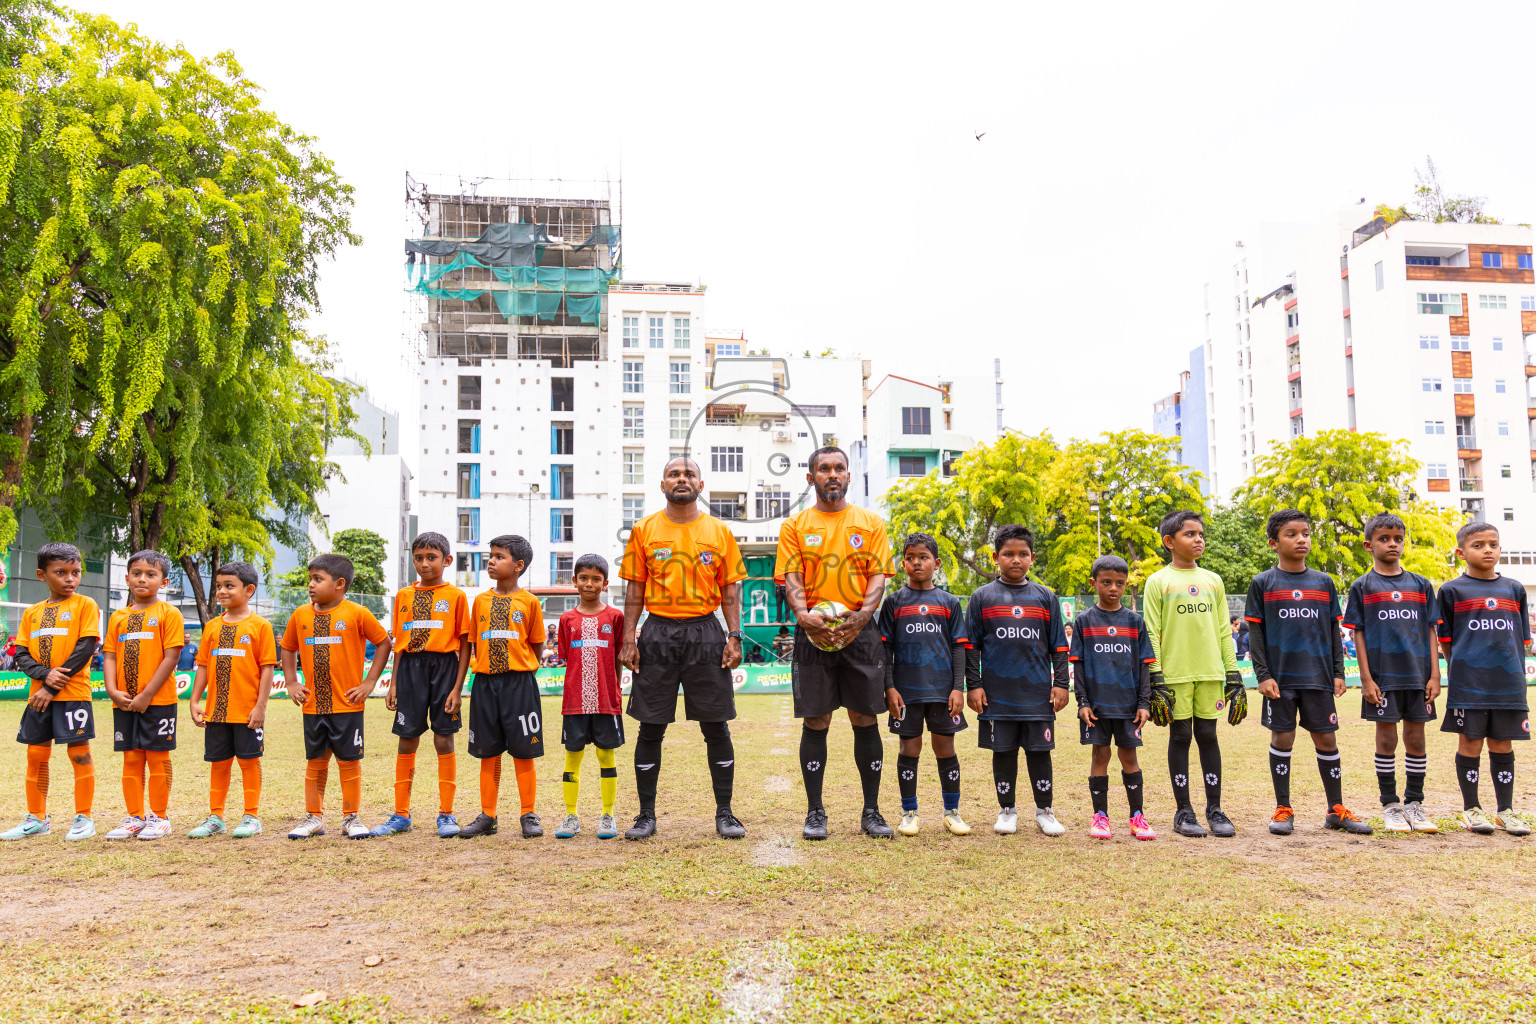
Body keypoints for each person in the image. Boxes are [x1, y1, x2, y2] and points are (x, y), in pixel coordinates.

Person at [620, 456, 747, 841]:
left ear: (700, 485)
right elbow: (635, 589)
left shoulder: (718, 530)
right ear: (662, 485)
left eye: (689, 474)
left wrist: (734, 635)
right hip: (656, 631)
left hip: (705, 631)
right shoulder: (644, 530)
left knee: (716, 725)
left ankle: (725, 813)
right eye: (673, 473)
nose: (681, 479)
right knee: (651, 725)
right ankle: (646, 815)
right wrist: (629, 637)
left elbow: (730, 589)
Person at [776, 446, 893, 840]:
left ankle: (872, 812)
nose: (832, 474)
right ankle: (815, 813)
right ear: (810, 477)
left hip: (860, 634)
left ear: (847, 475)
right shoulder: (794, 526)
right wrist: (803, 615)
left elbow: (877, 576)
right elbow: (792, 577)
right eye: (823, 468)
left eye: (839, 468)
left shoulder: (870, 522)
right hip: (813, 634)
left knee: (865, 718)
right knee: (817, 719)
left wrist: (862, 617)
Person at [1247, 509, 1371, 835]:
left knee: (1327, 739)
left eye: (1305, 533)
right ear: (1274, 543)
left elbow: (1334, 631)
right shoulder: (1262, 583)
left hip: (1317, 677)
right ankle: (1283, 809)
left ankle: (1335, 809)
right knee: (1282, 738)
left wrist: (1338, 672)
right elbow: (1256, 635)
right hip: (1280, 679)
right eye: (1292, 534)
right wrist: (1263, 675)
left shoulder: (1324, 582)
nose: (1301, 539)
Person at [1143, 510, 1242, 839]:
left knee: (1208, 737)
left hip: (1211, 673)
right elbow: (1151, 632)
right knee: (1181, 737)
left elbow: (1224, 632)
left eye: (1201, 534)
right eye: (1190, 534)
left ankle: (1214, 809)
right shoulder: (1159, 581)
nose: (1198, 539)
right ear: (1170, 542)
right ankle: (1183, 811)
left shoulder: (1213, 580)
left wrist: (1234, 675)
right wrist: (1156, 678)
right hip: (1175, 676)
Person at [965, 524, 1069, 836]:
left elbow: (1059, 646)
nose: (1015, 559)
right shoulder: (982, 597)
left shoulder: (1045, 597)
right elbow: (971, 647)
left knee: (1040, 753)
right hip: (997, 695)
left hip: (1037, 694)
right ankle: (1007, 810)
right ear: (996, 557)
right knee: (1004, 753)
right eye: (1008, 554)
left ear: (1032, 557)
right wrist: (975, 684)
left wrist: (1061, 683)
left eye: (1022, 554)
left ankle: (1044, 811)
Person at [281, 553, 392, 840]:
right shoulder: (300, 615)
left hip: (348, 705)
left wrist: (369, 682)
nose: (311, 585)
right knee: (315, 762)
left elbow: (383, 642)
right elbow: (288, 647)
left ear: (339, 584)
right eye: (310, 579)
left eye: (318, 579)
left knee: (348, 761)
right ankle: (313, 818)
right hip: (313, 705)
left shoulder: (357, 613)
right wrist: (292, 681)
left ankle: (351, 818)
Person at [1342, 512, 1441, 833]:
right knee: (1386, 740)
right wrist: (1367, 679)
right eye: (1384, 539)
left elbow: (1431, 631)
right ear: (1368, 545)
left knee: (1416, 737)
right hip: (1382, 678)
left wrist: (1435, 675)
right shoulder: (1362, 586)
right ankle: (1390, 805)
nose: (1392, 544)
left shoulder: (1421, 585)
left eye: (1398, 539)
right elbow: (1357, 633)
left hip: (1418, 677)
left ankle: (1414, 803)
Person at [373, 532, 473, 839]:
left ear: (447, 560)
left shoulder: (456, 596)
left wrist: (457, 689)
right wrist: (393, 685)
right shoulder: (404, 596)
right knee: (407, 738)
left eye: (432, 558)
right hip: (411, 671)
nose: (425, 564)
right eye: (419, 558)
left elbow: (466, 643)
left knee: (444, 739)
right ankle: (401, 814)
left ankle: (446, 813)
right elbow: (398, 644)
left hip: (444, 668)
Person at [1436, 521, 1532, 835]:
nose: (1487, 549)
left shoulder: (1515, 589)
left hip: (1508, 684)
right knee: (1471, 742)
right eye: (1478, 545)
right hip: (1469, 684)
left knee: (1503, 744)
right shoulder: (1451, 590)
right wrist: (1461, 672)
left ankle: (1505, 811)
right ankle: (1472, 810)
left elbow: (1521, 640)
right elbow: (1446, 640)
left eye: (1493, 544)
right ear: (1461, 552)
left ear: (1500, 547)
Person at [0, 543, 100, 841]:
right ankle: (37, 818)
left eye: (75, 572)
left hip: (74, 695)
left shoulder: (85, 605)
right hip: (39, 697)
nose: (70, 578)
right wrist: (45, 680)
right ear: (42, 575)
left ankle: (84, 818)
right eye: (61, 573)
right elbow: (21, 654)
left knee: (79, 754)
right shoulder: (32, 613)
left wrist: (50, 686)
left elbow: (86, 648)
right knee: (36, 756)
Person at [879, 532, 969, 837]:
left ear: (937, 563)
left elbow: (959, 647)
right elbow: (885, 649)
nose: (917, 562)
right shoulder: (893, 602)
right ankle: (909, 813)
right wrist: (889, 686)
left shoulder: (948, 602)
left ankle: (951, 812)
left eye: (924, 557)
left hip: (943, 690)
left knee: (945, 748)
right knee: (910, 748)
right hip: (906, 692)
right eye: (910, 557)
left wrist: (959, 686)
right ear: (903, 562)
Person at [460, 534, 546, 839]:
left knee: (524, 751)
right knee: (488, 752)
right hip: (484, 684)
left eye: (499, 556)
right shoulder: (480, 601)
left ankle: (528, 814)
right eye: (491, 555)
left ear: (518, 565)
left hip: (519, 684)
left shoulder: (530, 602)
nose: (491, 561)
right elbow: (471, 645)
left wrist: (520, 670)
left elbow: (536, 646)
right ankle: (488, 816)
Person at [186, 562, 277, 838]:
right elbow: (202, 666)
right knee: (219, 763)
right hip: (216, 712)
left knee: (249, 762)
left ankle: (251, 816)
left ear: (248, 590)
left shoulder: (260, 626)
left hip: (247, 711)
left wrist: (261, 706)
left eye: (229, 586)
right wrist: (194, 701)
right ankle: (216, 817)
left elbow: (267, 669)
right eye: (218, 586)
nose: (221, 592)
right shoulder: (212, 627)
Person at [1070, 555, 1157, 841]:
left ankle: (1137, 817)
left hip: (1129, 705)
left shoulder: (1135, 621)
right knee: (1100, 754)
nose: (1113, 588)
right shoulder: (1083, 621)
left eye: (1120, 583)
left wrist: (1144, 703)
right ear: (1093, 583)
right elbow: (1078, 665)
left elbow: (1145, 665)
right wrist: (1082, 701)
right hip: (1095, 706)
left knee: (1129, 756)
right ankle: (1101, 817)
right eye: (1106, 582)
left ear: (1126, 584)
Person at [101, 550, 185, 841]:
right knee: (131, 758)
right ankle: (135, 818)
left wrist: (147, 694)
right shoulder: (119, 617)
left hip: (158, 701)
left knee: (157, 757)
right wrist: (112, 691)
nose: (142, 579)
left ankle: (160, 818)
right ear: (126, 578)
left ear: (163, 582)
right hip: (124, 701)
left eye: (151, 574)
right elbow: (109, 657)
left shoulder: (168, 613)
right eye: (136, 573)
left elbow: (171, 657)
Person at [553, 553, 626, 840]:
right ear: (574, 581)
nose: (589, 583)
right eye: (583, 578)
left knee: (606, 757)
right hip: (574, 703)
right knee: (573, 758)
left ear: (605, 583)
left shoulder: (615, 617)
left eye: (596, 579)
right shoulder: (566, 619)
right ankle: (571, 815)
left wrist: (615, 691)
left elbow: (619, 658)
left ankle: (607, 815)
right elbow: (566, 658)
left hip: (607, 702)